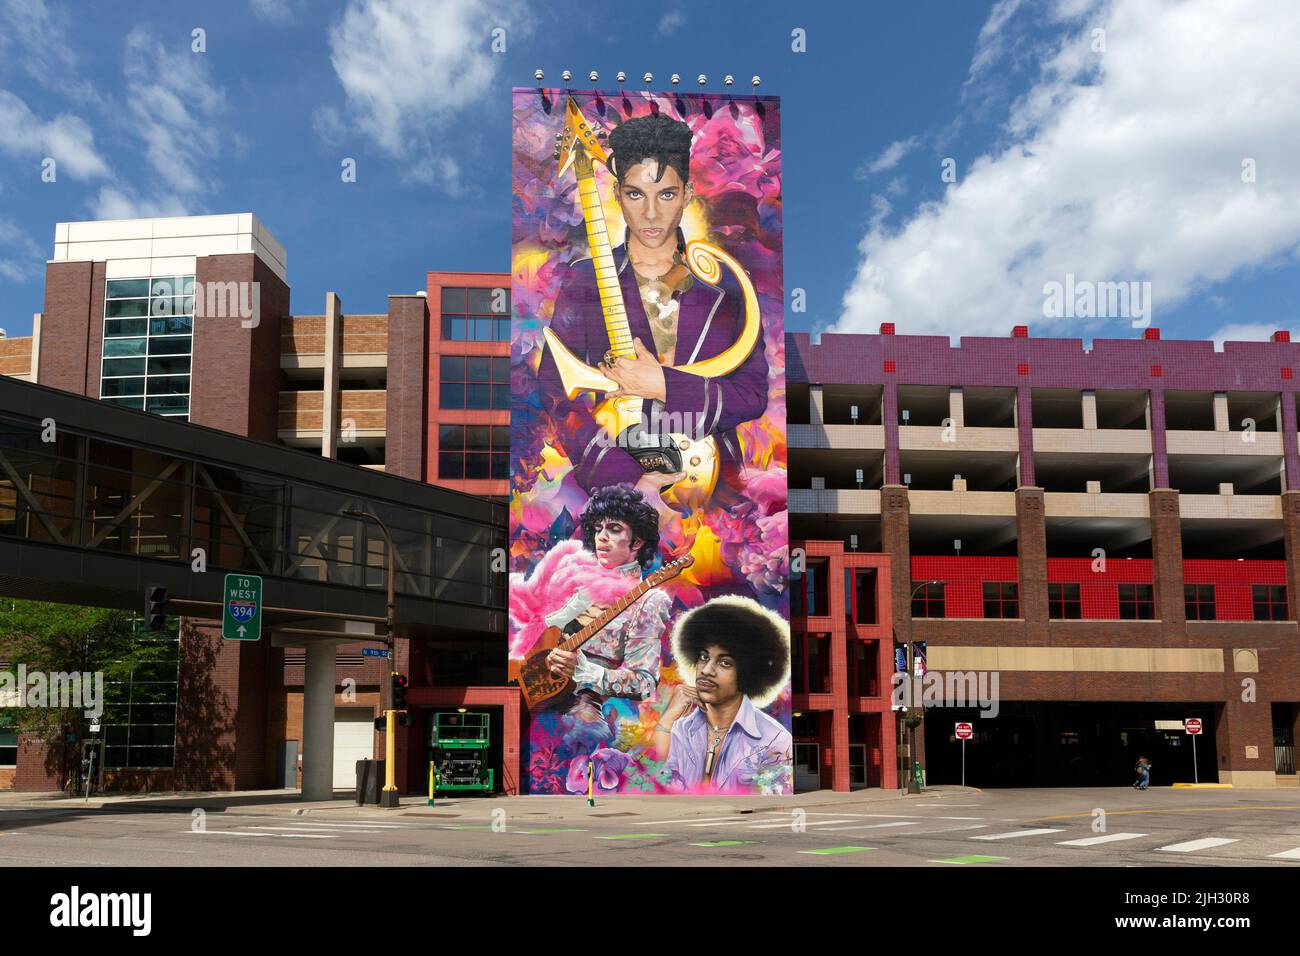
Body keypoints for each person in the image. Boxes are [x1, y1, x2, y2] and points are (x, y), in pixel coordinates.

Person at [537, 110, 769, 497]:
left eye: (665, 194)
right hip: (615, 504)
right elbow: (557, 397)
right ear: (616, 196)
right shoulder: (586, 280)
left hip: (712, 497)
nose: (650, 212)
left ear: (687, 195)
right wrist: (628, 481)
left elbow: (752, 394)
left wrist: (662, 383)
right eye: (635, 194)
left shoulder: (728, 287)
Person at [528, 486, 673, 758]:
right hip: (532, 691)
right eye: (597, 528)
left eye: (614, 528)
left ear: (638, 542)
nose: (602, 537)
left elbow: (644, 683)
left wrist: (586, 670)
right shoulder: (573, 583)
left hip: (579, 711)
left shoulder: (648, 601)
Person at [653, 595, 792, 793]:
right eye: (703, 657)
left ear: (748, 673)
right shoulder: (681, 730)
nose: (706, 670)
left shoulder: (773, 739)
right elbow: (655, 782)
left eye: (724, 662)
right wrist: (666, 720)